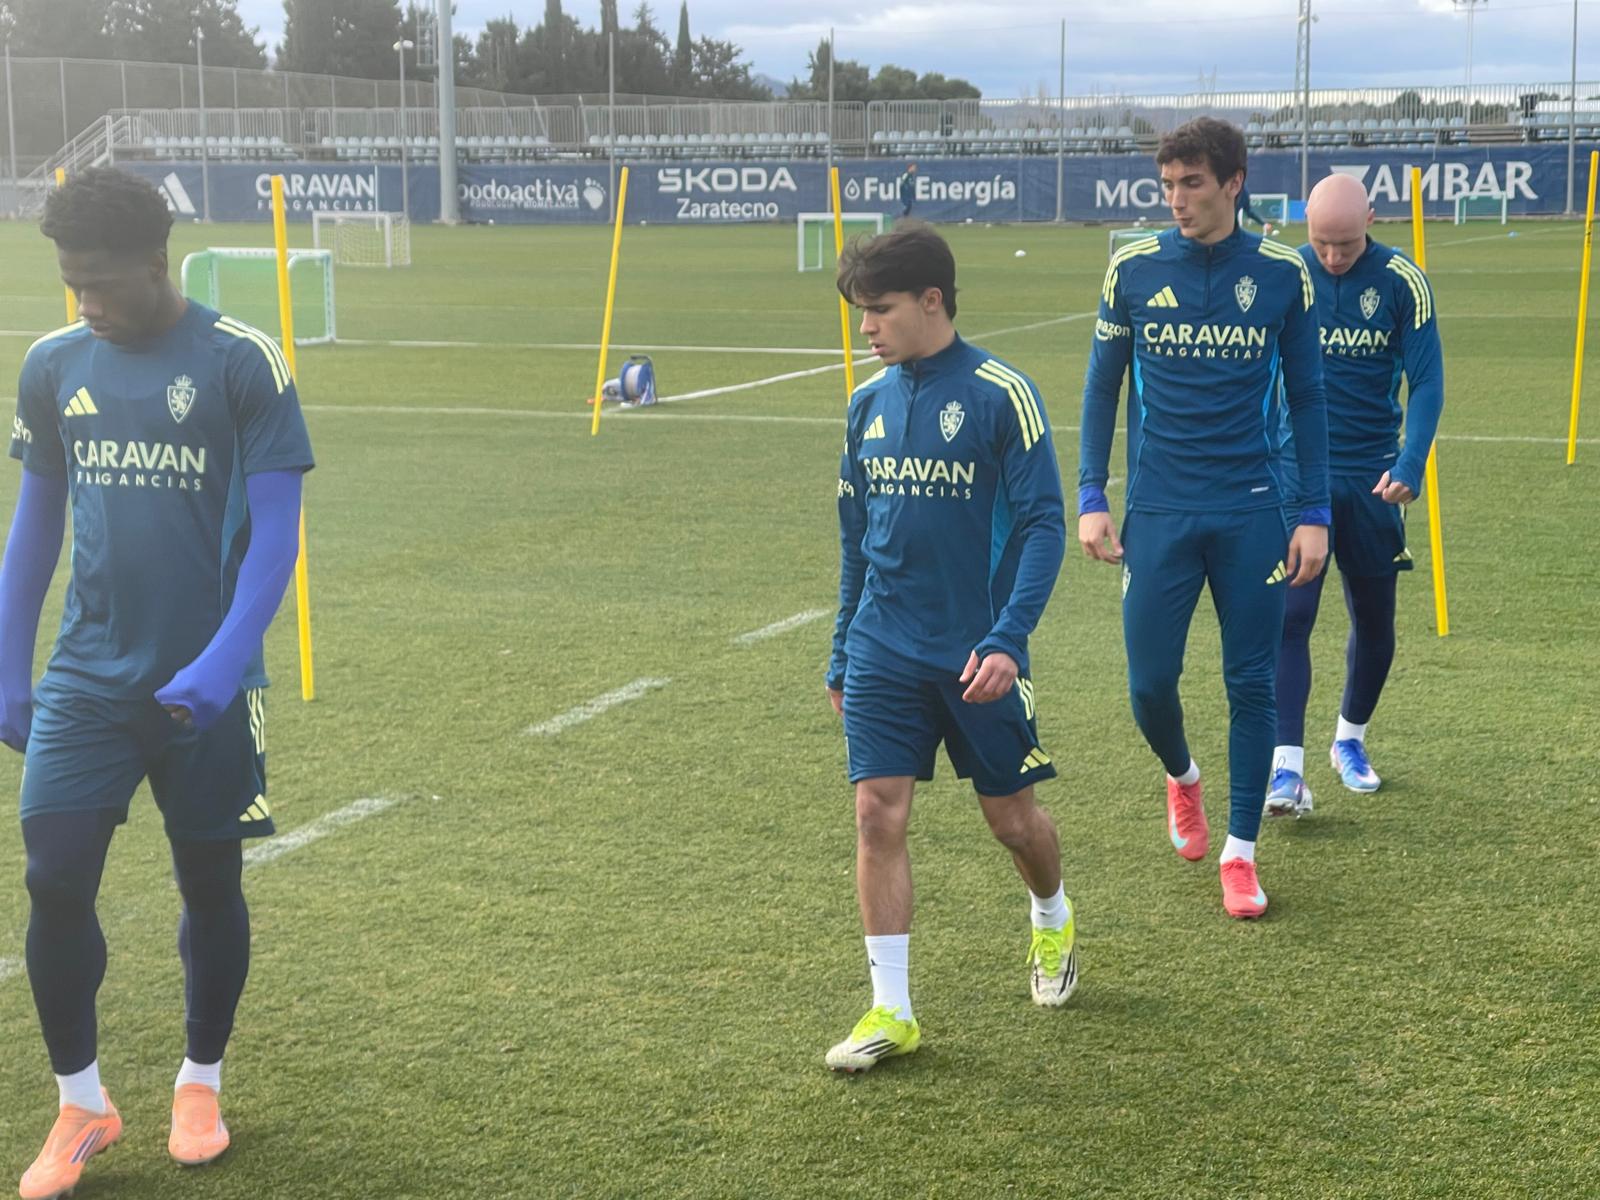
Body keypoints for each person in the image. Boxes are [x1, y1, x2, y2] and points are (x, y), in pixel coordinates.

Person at [0, 166, 314, 1198]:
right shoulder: (52, 365)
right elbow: (36, 521)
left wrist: (225, 661)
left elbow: (276, 534)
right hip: (87, 676)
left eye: (103, 283)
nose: (87, 302)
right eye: (71, 283)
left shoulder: (243, 364)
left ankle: (200, 1079)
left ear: (156, 261)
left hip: (205, 683)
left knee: (209, 882)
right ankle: (82, 1104)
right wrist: (8, 660)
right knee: (52, 877)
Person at [825, 222, 1072, 1073]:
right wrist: (840, 652)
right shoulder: (868, 404)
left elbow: (1045, 524)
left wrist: (1009, 638)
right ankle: (891, 1009)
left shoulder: (1004, 394)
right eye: (861, 313)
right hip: (884, 645)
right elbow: (857, 537)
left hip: (979, 655)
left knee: (1011, 821)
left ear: (933, 301)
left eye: (879, 310)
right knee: (874, 813)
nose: (868, 329)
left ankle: (1051, 919)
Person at [1077, 117, 1330, 919]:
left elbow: (1308, 397)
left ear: (1234, 182)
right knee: (1149, 684)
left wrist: (1313, 510)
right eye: (1167, 186)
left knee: (1250, 682)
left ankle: (1241, 853)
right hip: (1158, 510)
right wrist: (1091, 494)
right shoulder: (1132, 270)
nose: (1177, 200)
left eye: (1192, 184)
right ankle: (1183, 778)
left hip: (1253, 510)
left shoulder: (1285, 273)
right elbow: (1099, 390)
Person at [1265, 172, 1443, 816]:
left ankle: (1350, 739)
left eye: (1346, 243)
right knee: (1291, 615)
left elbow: (1426, 381)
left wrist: (1411, 460)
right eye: (1322, 243)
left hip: (1374, 476)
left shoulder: (1403, 282)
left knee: (1374, 619)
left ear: (1372, 216)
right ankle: (1286, 769)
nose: (1335, 256)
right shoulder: (1287, 275)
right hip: (1297, 472)